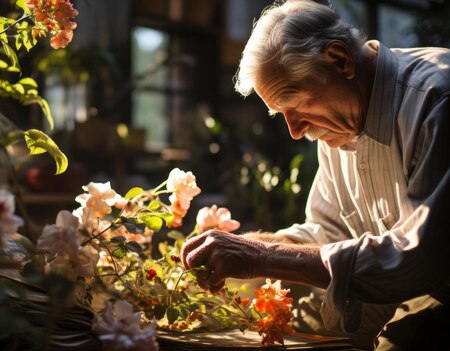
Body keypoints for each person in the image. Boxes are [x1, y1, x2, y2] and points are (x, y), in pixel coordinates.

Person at [180, 0, 450, 349]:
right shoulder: (339, 122)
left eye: (295, 103)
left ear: (340, 60)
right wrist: (242, 248)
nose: (294, 131)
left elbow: (419, 259)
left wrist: (261, 257)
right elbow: (327, 234)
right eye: (282, 114)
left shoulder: (436, 99)